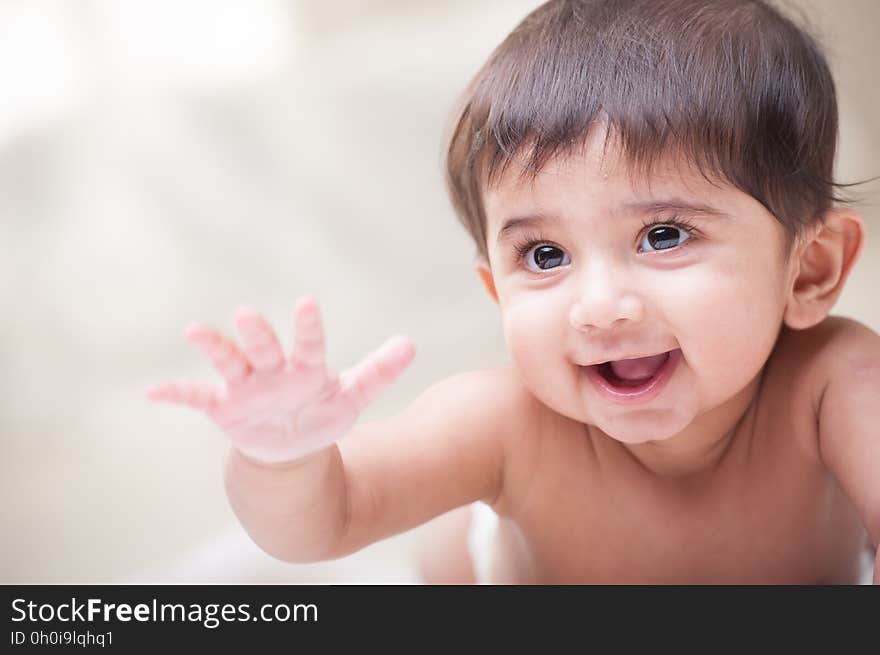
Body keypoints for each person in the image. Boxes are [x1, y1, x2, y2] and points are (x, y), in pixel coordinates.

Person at [148, 0, 879, 584]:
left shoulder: (834, 385)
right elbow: (324, 521)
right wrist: (286, 458)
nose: (599, 305)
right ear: (497, 290)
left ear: (809, 269)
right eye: (546, 253)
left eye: (663, 236)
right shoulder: (504, 424)